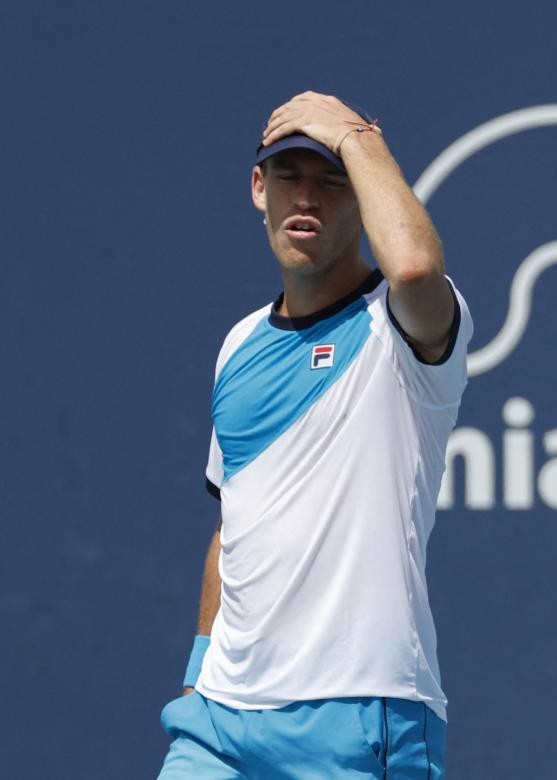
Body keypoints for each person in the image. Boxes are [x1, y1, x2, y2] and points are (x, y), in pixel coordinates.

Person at [157, 91, 472, 779]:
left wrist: (355, 137)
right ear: (258, 190)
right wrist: (198, 672)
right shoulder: (239, 344)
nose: (308, 197)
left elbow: (416, 268)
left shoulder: (398, 327)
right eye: (291, 177)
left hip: (362, 720)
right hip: (219, 722)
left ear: (362, 197)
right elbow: (232, 527)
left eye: (332, 181)